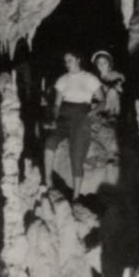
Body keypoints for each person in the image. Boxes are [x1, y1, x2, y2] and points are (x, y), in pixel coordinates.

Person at [49, 50, 101, 198]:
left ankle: (75, 197)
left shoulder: (90, 78)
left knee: (76, 155)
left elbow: (102, 101)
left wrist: (93, 112)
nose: (67, 64)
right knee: (49, 142)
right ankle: (48, 181)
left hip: (81, 115)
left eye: (70, 60)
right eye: (65, 61)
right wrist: (54, 118)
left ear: (78, 59)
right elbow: (57, 105)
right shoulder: (62, 80)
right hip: (64, 116)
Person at [91, 50, 125, 117]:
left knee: (113, 92)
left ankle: (110, 116)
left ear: (109, 64)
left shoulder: (116, 75)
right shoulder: (94, 77)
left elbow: (120, 90)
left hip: (112, 106)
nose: (101, 65)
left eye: (105, 63)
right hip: (98, 105)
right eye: (99, 63)